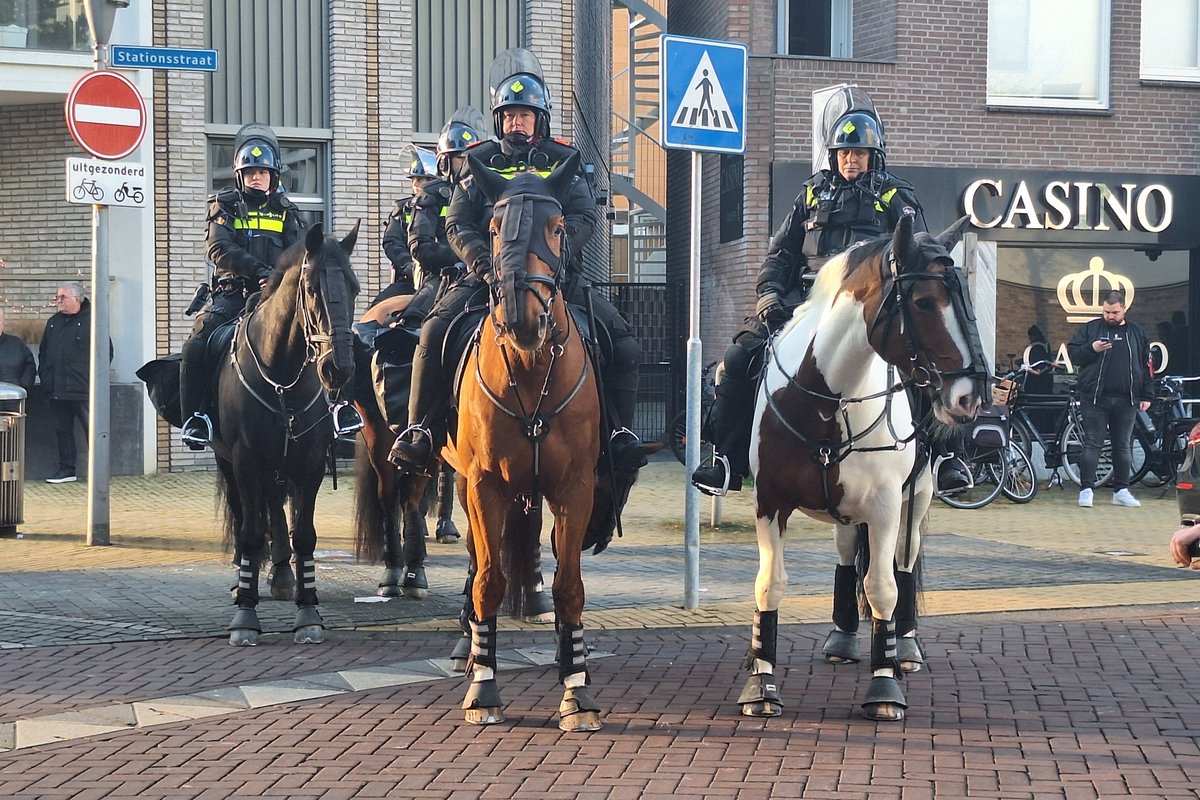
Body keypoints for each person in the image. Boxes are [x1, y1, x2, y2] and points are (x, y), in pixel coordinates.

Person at [388, 49, 644, 476]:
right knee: (432, 332)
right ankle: (421, 432)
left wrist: (556, 261)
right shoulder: (481, 160)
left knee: (625, 345)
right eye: (508, 115)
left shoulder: (564, 161)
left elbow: (583, 217)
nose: (516, 123)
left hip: (553, 280)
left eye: (524, 115)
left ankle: (618, 435)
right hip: (487, 278)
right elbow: (457, 224)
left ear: (540, 118)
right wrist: (487, 267)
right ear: (498, 119)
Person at [691, 109, 951, 495]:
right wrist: (768, 293)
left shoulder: (897, 196)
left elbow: (917, 256)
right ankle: (727, 460)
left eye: (859, 153)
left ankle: (940, 460)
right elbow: (780, 254)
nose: (850, 160)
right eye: (843, 153)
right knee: (740, 358)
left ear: (874, 155)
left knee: (924, 360)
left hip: (871, 311)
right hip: (807, 305)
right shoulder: (812, 193)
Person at [179, 123, 362, 449]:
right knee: (197, 344)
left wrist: (279, 277)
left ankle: (340, 407)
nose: (256, 178)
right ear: (239, 175)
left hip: (279, 296)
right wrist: (259, 271)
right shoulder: (225, 205)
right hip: (234, 295)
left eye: (262, 172)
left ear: (273, 175)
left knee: (337, 335)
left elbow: (302, 252)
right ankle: (198, 418)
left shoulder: (287, 211)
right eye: (250, 172)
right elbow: (219, 249)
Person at [1067, 290, 1153, 509]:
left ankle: (1121, 490)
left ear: (1124, 309)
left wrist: (1147, 395)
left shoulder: (1137, 333)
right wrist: (1092, 348)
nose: (1110, 316)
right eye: (1106, 312)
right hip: (1095, 396)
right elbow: (1074, 354)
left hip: (1127, 398)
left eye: (1114, 312)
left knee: (1123, 445)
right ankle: (1086, 489)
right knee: (1092, 442)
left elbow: (1146, 366)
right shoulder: (1091, 328)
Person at [39, 282, 93, 483]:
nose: (58, 301)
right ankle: (67, 470)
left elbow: (106, 353)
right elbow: (44, 352)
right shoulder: (53, 322)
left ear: (77, 299)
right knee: (62, 430)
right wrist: (45, 376)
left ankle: (97, 471)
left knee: (92, 430)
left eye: (63, 297)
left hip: (82, 389)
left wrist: (90, 379)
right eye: (57, 297)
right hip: (56, 388)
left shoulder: (92, 321)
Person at [373, 146, 437, 307]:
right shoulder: (403, 209)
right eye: (413, 178)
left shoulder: (451, 204)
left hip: (443, 276)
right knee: (375, 310)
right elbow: (391, 242)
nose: (415, 183)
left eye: (421, 179)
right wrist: (408, 265)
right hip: (409, 280)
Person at [0, 309, 36, 397]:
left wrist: (23, 386)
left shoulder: (17, 344)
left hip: (13, 401)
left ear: (2, 323)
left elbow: (30, 366)